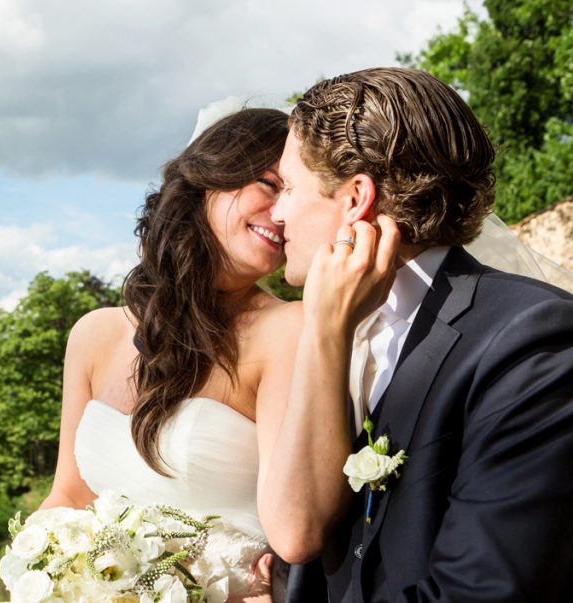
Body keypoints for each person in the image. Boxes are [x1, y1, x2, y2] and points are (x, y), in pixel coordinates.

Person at [38, 107, 397, 602]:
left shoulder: (289, 331)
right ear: (211, 178)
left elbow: (298, 532)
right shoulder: (93, 335)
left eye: (292, 194)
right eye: (270, 185)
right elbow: (70, 496)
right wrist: (38, 572)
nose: (280, 213)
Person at [274, 67, 573, 602]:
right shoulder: (333, 328)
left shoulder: (533, 337)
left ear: (355, 198)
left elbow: (483, 588)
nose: (277, 214)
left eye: (289, 187)